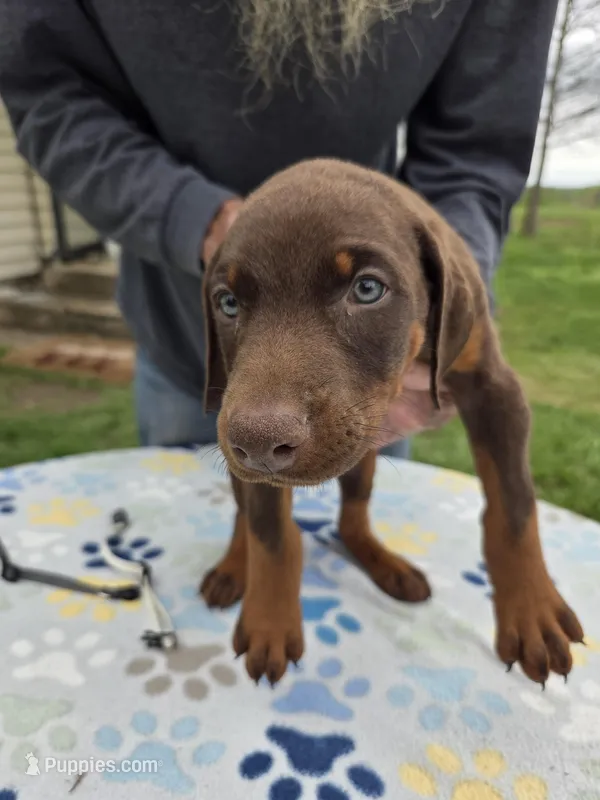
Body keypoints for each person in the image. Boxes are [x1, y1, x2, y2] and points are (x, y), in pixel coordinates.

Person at [0, 0, 557, 457]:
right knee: (205, 535)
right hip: (186, 334)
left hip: (374, 350)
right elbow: (47, 92)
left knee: (359, 511)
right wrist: (194, 218)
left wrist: (446, 303)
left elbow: (474, 148)